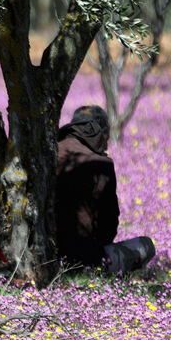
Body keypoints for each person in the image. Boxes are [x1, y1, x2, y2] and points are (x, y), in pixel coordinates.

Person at [55, 105, 155, 274]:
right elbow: (108, 224)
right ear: (102, 133)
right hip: (81, 260)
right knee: (146, 245)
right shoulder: (100, 163)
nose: (106, 145)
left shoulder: (48, 151)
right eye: (107, 139)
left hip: (42, 256)